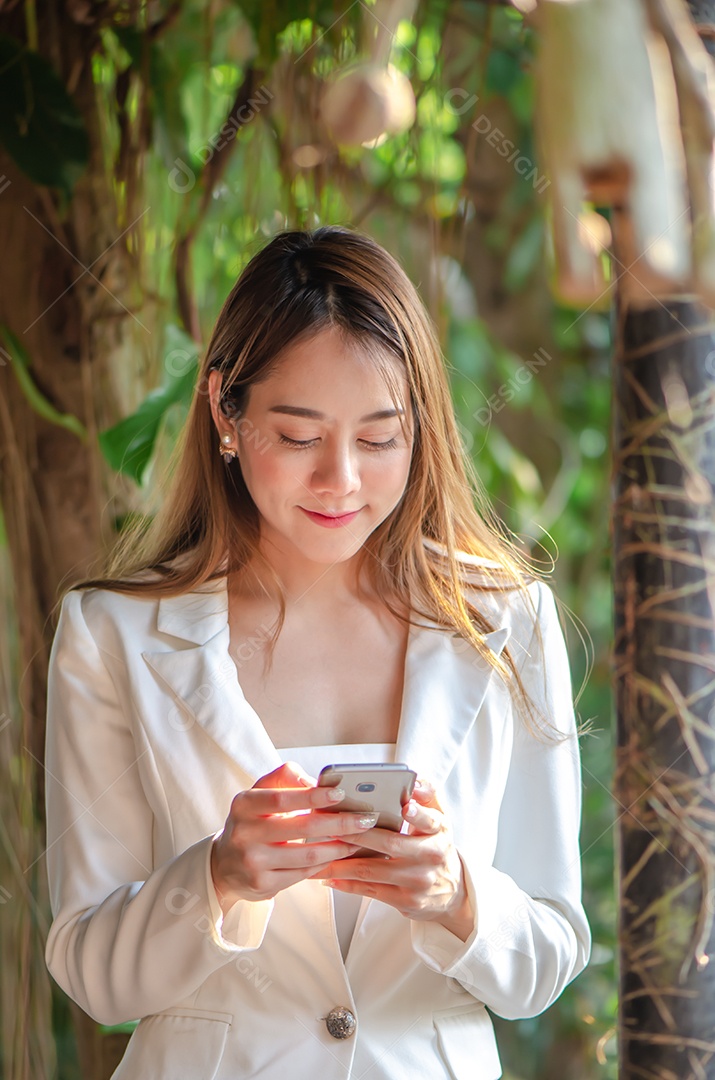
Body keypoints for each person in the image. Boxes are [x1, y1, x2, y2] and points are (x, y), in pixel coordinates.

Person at [44, 225, 591, 1080]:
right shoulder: (112, 635)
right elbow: (90, 972)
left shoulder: (507, 622)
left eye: (380, 438)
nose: (340, 479)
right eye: (299, 436)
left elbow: (548, 958)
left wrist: (456, 895)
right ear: (226, 411)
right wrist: (217, 879)